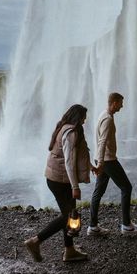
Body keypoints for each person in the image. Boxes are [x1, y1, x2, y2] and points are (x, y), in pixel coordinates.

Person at [24, 104, 94, 262]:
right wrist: (75, 186)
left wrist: (90, 166)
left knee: (68, 215)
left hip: (58, 178)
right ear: (77, 117)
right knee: (67, 217)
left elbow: (78, 154)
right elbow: (69, 161)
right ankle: (35, 241)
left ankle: (69, 250)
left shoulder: (65, 128)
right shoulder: (70, 132)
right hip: (60, 181)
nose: (85, 120)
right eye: (83, 117)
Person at [88, 92, 137, 235]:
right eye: (120, 103)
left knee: (98, 192)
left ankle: (92, 226)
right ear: (114, 103)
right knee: (126, 187)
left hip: (101, 159)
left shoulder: (104, 114)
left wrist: (98, 160)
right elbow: (102, 142)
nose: (122, 106)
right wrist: (101, 162)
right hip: (107, 160)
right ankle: (126, 226)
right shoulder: (107, 119)